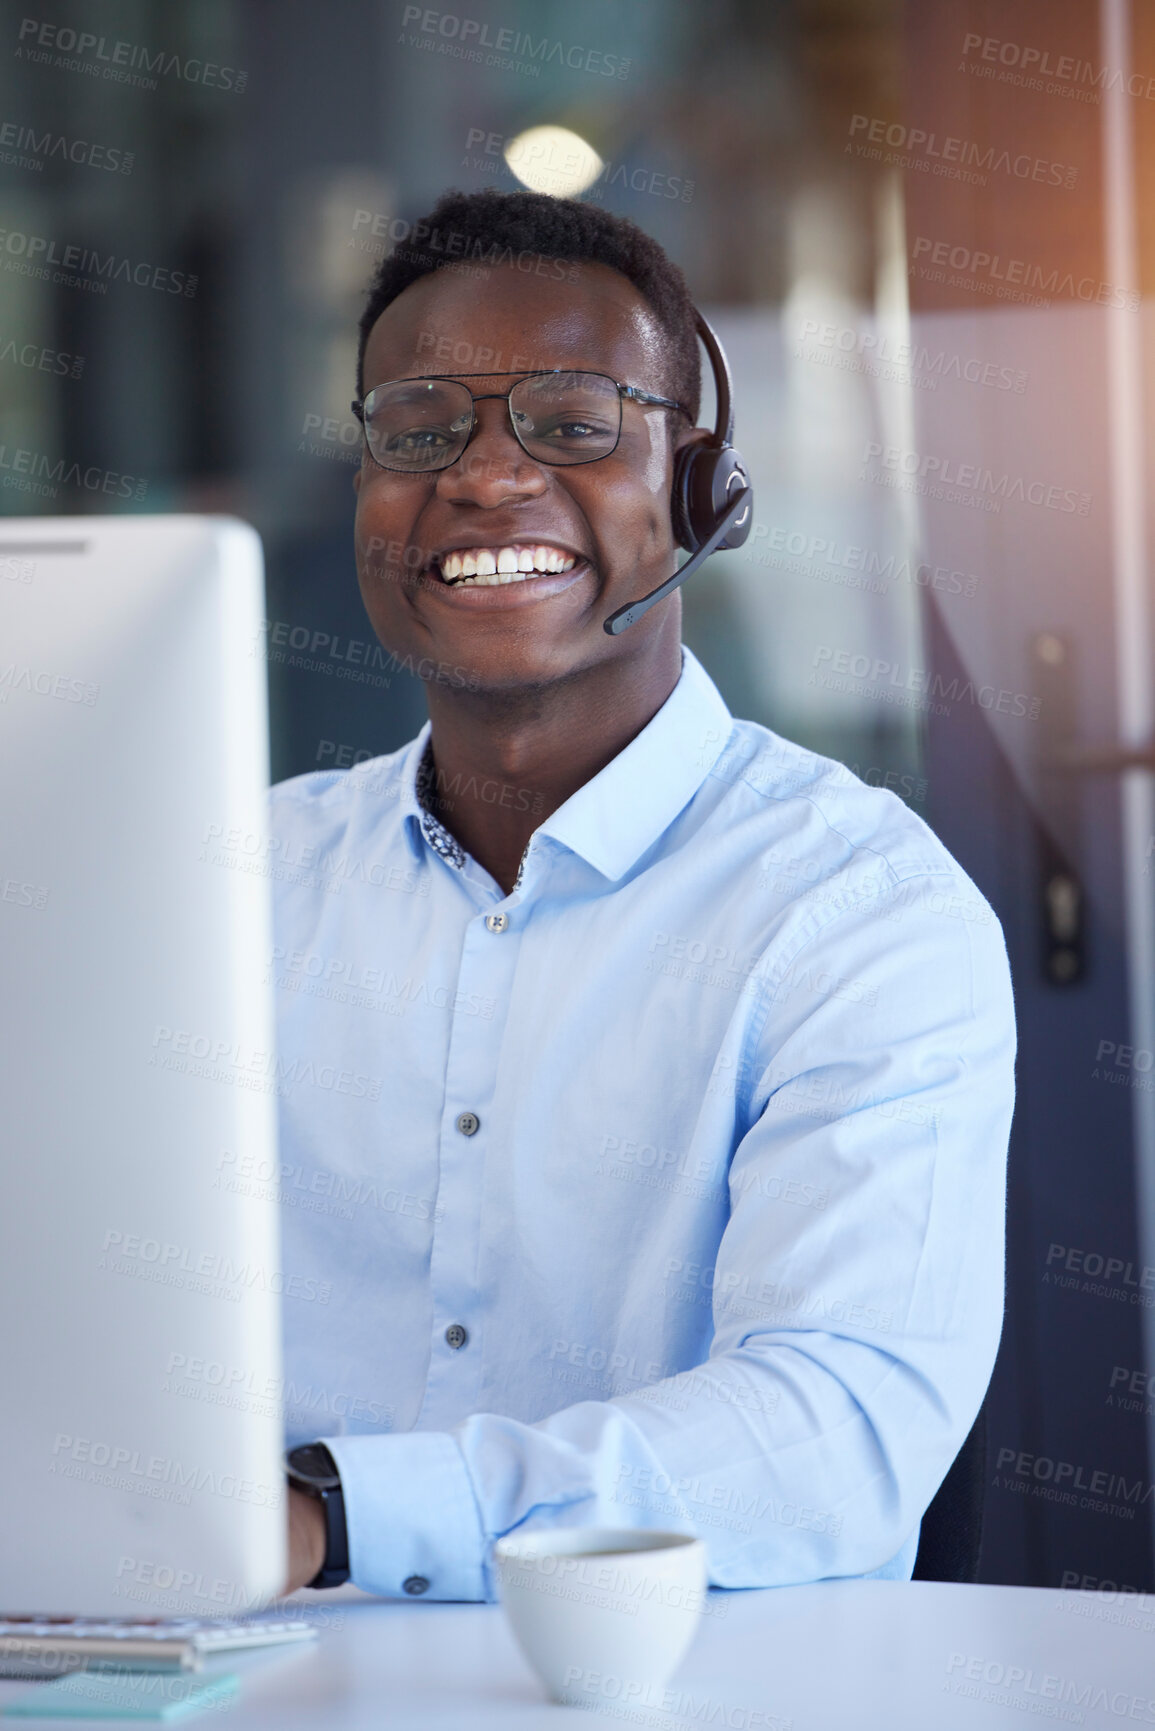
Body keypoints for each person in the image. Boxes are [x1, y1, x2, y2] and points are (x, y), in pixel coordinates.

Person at [274, 187, 1016, 1599]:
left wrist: (333, 1514)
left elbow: (835, 1430)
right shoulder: (228, 894)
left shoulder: (860, 911)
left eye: (573, 420)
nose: (485, 478)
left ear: (702, 488)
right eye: (420, 426)